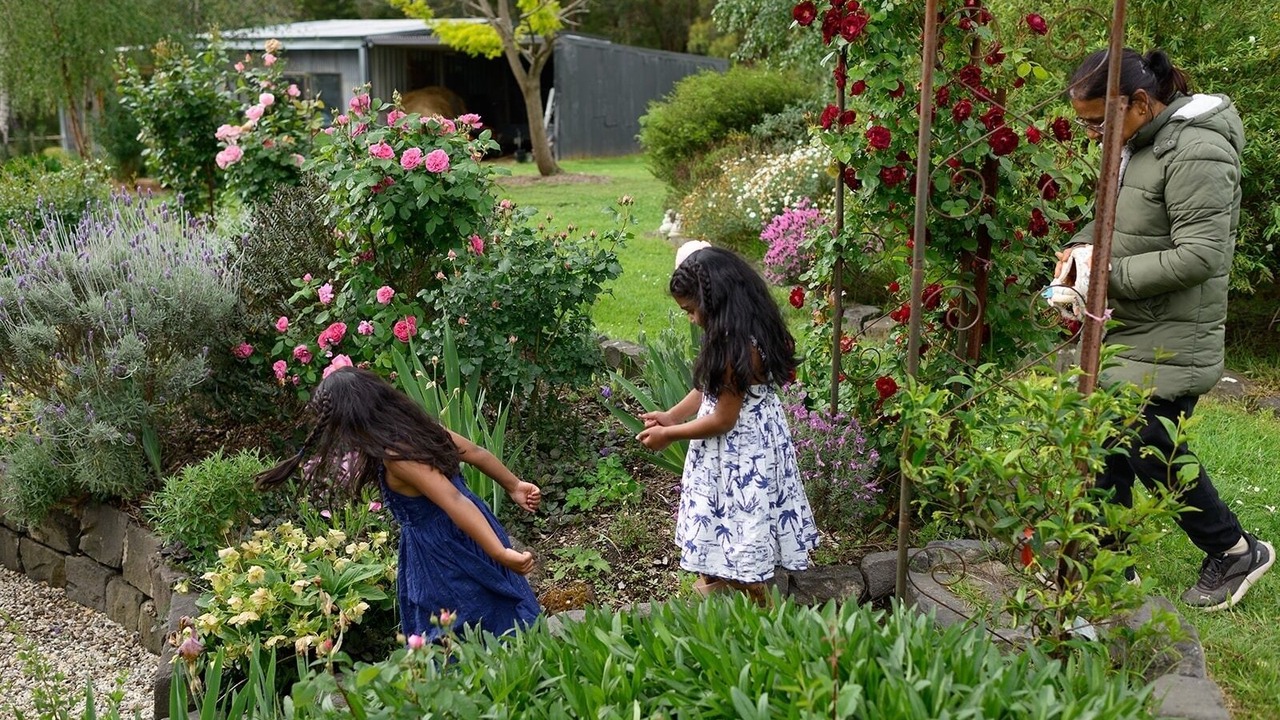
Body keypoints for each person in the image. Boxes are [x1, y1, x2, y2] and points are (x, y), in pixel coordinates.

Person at [1062, 48, 1272, 610]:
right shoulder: (1140, 143)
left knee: (1149, 444)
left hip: (1174, 335)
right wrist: (1080, 250)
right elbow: (1125, 216)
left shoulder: (1198, 149)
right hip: (1134, 327)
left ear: (1139, 101)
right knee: (1107, 436)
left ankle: (1234, 550)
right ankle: (1107, 560)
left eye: (1095, 123)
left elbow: (1201, 255)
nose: (1091, 137)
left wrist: (1105, 278)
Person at [257, 366, 542, 641]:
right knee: (494, 604)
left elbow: (454, 500)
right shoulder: (418, 430)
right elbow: (475, 452)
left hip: (442, 554)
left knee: (461, 623)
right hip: (475, 532)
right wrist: (513, 485)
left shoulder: (399, 455)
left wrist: (501, 553)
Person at [637, 243, 819, 603]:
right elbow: (710, 391)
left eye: (691, 310)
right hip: (749, 447)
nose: (690, 318)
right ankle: (722, 599)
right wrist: (673, 415)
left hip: (739, 458)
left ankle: (760, 609)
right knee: (724, 535)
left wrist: (669, 435)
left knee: (739, 537)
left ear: (715, 300)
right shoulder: (741, 328)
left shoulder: (739, 346)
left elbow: (722, 418)